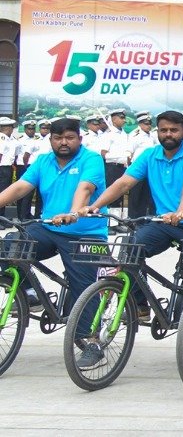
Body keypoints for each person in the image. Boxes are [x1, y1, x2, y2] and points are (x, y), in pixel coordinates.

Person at [82, 111, 183, 325]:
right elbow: (123, 183)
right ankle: (140, 305)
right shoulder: (149, 155)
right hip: (164, 222)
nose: (168, 134)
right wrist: (95, 206)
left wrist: (181, 212)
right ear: (157, 132)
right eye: (164, 130)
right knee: (130, 249)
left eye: (174, 130)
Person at [0, 117, 105, 357]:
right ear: (51, 140)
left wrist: (73, 213)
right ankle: (30, 295)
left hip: (85, 233)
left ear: (79, 138)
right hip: (49, 228)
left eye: (69, 137)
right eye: (58, 138)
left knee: (84, 286)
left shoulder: (91, 159)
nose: (63, 142)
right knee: (10, 245)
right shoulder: (43, 161)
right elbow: (20, 187)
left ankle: (89, 342)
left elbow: (85, 188)